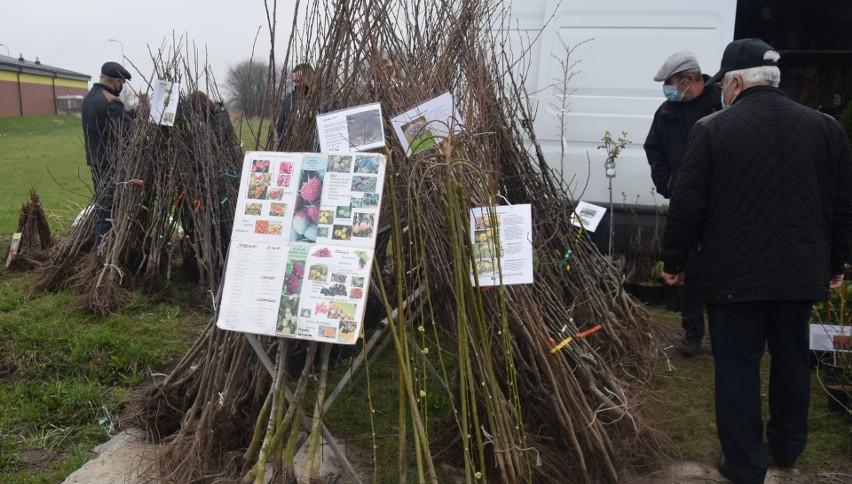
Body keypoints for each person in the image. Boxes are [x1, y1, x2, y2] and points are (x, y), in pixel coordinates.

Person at [661, 38, 852, 484]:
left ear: (737, 82)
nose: (722, 93)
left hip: (733, 276)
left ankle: (744, 464)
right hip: (800, 274)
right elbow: (842, 205)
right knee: (791, 361)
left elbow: (687, 206)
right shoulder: (826, 129)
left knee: (738, 368)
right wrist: (837, 263)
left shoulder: (710, 130)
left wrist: (674, 261)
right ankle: (787, 447)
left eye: (725, 85)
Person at [644, 51, 721, 357]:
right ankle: (692, 333)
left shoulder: (722, 104)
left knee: (719, 270)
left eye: (670, 82)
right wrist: (668, 183)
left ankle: (723, 333)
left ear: (690, 79)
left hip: (720, 205)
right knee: (686, 269)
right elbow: (654, 150)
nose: (667, 88)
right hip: (685, 205)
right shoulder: (666, 113)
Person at [82, 61, 133, 249]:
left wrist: (131, 114)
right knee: (109, 211)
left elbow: (106, 123)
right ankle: (100, 252)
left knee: (103, 208)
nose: (122, 87)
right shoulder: (112, 102)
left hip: (95, 162)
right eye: (122, 83)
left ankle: (101, 251)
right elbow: (125, 133)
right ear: (116, 81)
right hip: (111, 166)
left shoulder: (89, 98)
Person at [276, 63, 315, 150]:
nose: (297, 85)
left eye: (299, 81)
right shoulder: (289, 100)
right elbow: (281, 129)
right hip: (294, 150)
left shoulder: (322, 100)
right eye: (295, 81)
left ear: (311, 79)